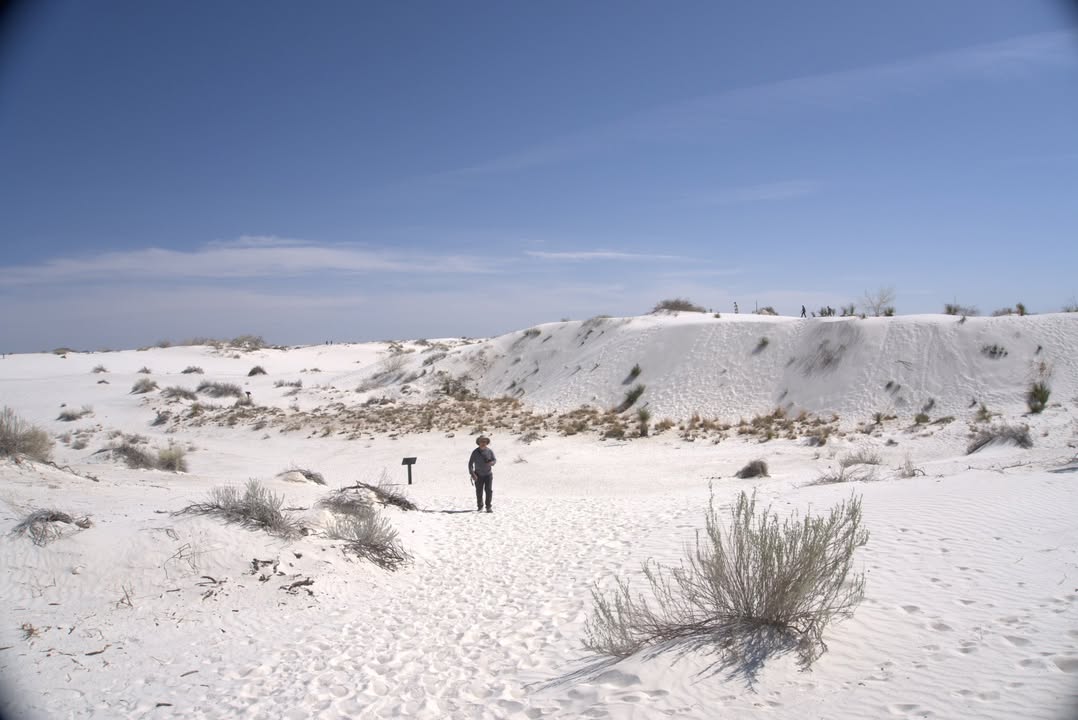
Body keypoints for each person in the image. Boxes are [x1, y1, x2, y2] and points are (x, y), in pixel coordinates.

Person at [469, 435, 497, 512]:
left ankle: (488, 507)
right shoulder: (475, 452)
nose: (483, 443)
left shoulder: (490, 451)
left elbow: (494, 460)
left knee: (489, 491)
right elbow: (470, 464)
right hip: (478, 475)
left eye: (485, 441)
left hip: (488, 474)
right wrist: (473, 474)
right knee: (479, 491)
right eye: (481, 441)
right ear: (478, 442)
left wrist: (491, 463)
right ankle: (480, 506)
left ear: (487, 442)